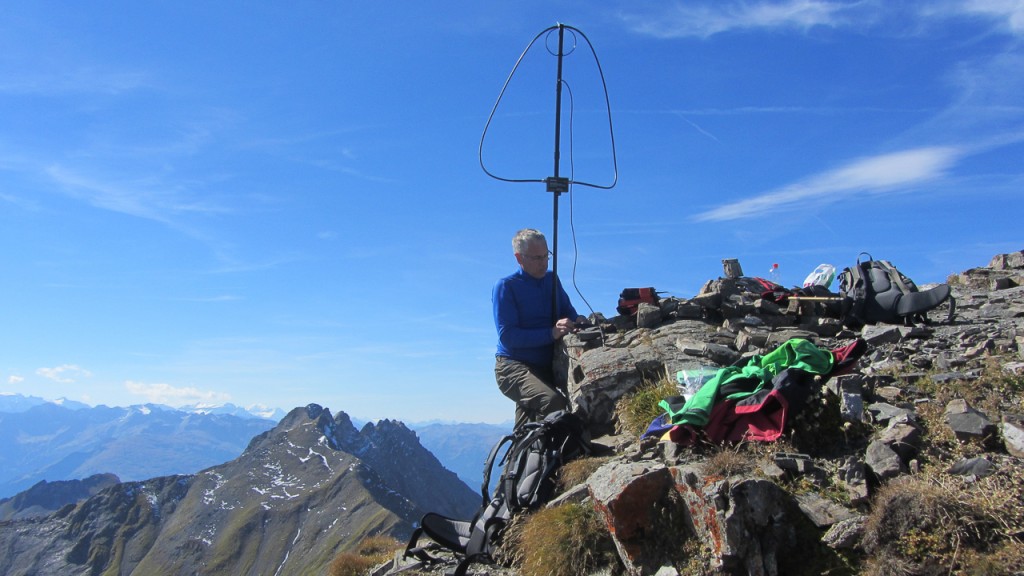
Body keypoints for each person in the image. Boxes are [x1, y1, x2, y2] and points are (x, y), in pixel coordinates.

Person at [492, 228, 588, 429]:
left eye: (546, 256)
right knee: (553, 403)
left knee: (527, 426)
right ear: (519, 258)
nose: (544, 263)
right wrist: (551, 333)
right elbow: (508, 336)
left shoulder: (551, 280)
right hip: (512, 367)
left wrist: (577, 319)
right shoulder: (506, 287)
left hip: (544, 367)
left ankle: (523, 458)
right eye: (537, 258)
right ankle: (559, 457)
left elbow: (567, 310)